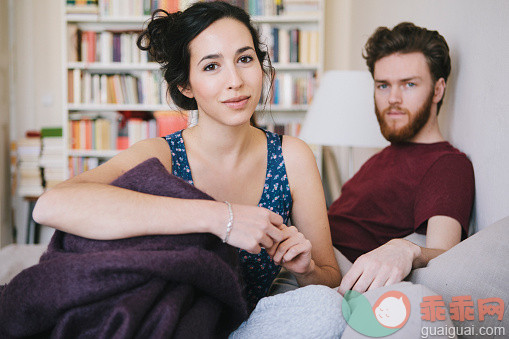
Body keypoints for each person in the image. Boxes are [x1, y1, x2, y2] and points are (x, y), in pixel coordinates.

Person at [33, 1, 340, 311]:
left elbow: (330, 277)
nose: (235, 80)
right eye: (211, 66)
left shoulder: (293, 157)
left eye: (245, 59)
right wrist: (223, 219)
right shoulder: (161, 155)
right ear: (185, 85)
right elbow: (50, 206)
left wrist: (307, 270)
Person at [329, 22, 475, 296]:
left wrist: (405, 249)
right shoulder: (383, 156)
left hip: (335, 274)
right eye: (383, 86)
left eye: (409, 84)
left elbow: (446, 257)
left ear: (438, 90)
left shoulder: (447, 164)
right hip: (307, 253)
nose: (393, 99)